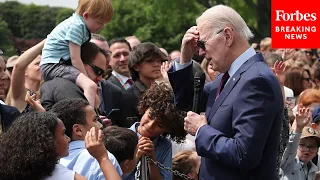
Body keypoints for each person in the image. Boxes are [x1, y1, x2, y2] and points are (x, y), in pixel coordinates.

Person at [168, 5, 283, 179]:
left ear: (227, 36)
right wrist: (185, 58)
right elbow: (187, 103)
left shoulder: (256, 80)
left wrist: (201, 130)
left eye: (203, 43)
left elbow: (244, 154)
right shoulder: (231, 77)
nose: (201, 52)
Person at [40, 0, 113, 108]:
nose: (102, 26)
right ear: (86, 15)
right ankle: (89, 117)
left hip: (56, 63)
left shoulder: (79, 24)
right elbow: (75, 59)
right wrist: (86, 79)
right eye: (99, 22)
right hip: (53, 65)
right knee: (90, 86)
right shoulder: (77, 27)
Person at [124, 82, 187, 180]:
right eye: (150, 116)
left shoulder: (164, 145)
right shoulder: (121, 137)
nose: (150, 125)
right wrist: (136, 158)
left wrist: (152, 161)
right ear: (145, 108)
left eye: (160, 125)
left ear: (168, 130)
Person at [50, 98, 123, 179]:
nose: (100, 125)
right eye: (95, 120)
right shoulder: (103, 159)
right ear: (78, 130)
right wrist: (103, 159)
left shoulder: (49, 162)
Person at [40, 42, 108, 111]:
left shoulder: (79, 89)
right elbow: (84, 120)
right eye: (98, 71)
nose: (100, 79)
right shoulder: (64, 88)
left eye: (103, 74)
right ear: (79, 63)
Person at [121, 42, 168, 126]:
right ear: (136, 67)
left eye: (159, 61)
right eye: (150, 61)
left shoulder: (163, 89)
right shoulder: (129, 97)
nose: (156, 64)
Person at [90, 34, 124, 125]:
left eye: (107, 53)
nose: (106, 58)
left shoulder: (115, 91)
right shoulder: (70, 88)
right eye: (99, 52)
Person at [280, 107, 320, 180]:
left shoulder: (313, 169)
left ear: (316, 151)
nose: (307, 149)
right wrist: (298, 128)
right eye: (302, 145)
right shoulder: (289, 162)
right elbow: (290, 148)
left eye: (312, 147)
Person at [7, 40, 44, 113]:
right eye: (37, 64)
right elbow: (18, 66)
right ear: (25, 71)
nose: (42, 66)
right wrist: (49, 39)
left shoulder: (44, 93)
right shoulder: (20, 93)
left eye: (43, 63)